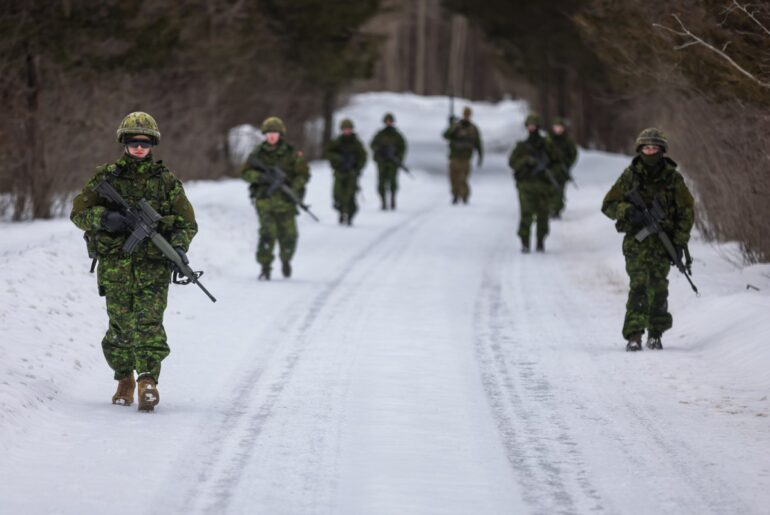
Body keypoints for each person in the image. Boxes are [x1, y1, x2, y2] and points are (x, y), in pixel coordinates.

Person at [70, 112, 198, 411]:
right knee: (120, 328)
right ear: (124, 143)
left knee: (150, 325)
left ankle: (147, 380)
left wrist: (177, 248)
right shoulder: (106, 178)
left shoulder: (166, 182)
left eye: (145, 142)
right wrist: (106, 218)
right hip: (116, 266)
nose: (139, 148)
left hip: (153, 267)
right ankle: (124, 378)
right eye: (133, 142)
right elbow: (78, 214)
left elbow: (187, 223)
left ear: (153, 144)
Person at [601, 128, 694, 351]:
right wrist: (627, 211)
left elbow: (686, 211)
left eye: (654, 148)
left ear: (661, 150)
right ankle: (634, 334)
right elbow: (608, 205)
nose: (650, 151)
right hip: (637, 243)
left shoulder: (673, 178)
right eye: (646, 148)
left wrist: (679, 241)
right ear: (640, 150)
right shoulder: (630, 176)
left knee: (659, 287)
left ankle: (655, 333)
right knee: (639, 286)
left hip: (663, 244)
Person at [241, 116, 310, 280]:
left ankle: (286, 259)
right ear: (265, 135)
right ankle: (265, 267)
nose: (272, 136)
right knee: (267, 233)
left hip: (286, 201)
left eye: (275, 133)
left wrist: (293, 187)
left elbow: (303, 174)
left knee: (289, 235)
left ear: (281, 134)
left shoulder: (291, 153)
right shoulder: (257, 153)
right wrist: (260, 178)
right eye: (269, 133)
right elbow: (245, 173)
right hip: (264, 200)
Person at [508, 113, 563, 253]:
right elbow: (512, 163)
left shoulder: (547, 145)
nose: (532, 128)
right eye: (529, 125)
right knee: (526, 214)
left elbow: (558, 163)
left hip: (543, 186)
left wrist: (549, 171)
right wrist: (525, 161)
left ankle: (540, 241)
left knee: (543, 215)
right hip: (526, 185)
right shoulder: (521, 146)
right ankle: (525, 242)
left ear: (538, 126)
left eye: (534, 125)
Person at [326, 118, 367, 225]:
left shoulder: (356, 143)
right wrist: (337, 160)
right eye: (345, 129)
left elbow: (363, 156)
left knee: (350, 196)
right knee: (337, 195)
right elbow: (328, 153)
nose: (347, 131)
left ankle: (349, 215)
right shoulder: (337, 141)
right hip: (339, 172)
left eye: (348, 129)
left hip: (351, 173)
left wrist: (357, 168)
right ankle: (341, 212)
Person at [442, 106, 483, 204]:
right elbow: (445, 135)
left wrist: (480, 157)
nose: (466, 116)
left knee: (463, 178)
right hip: (454, 157)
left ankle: (464, 196)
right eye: (465, 114)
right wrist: (451, 126)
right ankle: (455, 195)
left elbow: (478, 144)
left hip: (466, 158)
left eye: (468, 115)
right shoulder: (456, 126)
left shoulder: (473, 129)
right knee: (453, 178)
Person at [370, 112, 407, 210]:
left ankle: (392, 200)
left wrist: (398, 157)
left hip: (392, 163)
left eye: (390, 121)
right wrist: (379, 150)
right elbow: (372, 145)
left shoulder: (397, 135)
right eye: (387, 121)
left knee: (393, 183)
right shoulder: (380, 134)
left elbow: (403, 148)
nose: (388, 123)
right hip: (382, 162)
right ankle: (383, 202)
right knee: (381, 183)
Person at [548, 116, 578, 218]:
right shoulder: (548, 140)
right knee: (549, 190)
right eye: (556, 127)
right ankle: (550, 208)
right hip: (550, 170)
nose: (558, 129)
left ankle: (557, 210)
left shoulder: (567, 141)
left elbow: (574, 154)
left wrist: (568, 163)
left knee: (559, 190)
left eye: (560, 127)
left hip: (562, 171)